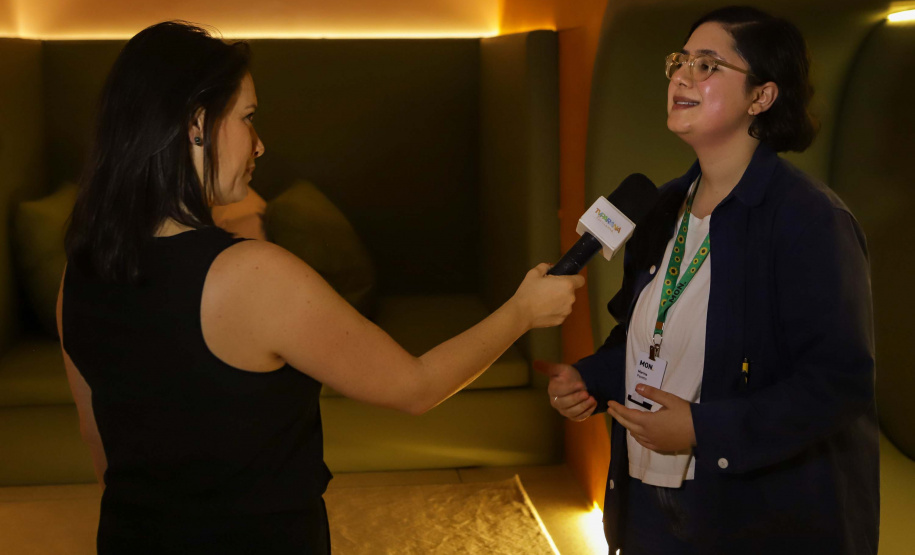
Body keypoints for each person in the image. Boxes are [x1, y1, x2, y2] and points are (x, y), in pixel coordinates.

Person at [57, 21, 584, 554]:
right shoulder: (252, 275)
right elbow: (415, 387)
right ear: (197, 125)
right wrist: (522, 312)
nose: (260, 145)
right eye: (247, 118)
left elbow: (99, 443)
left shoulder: (78, 272)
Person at [537, 6, 878, 554]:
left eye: (707, 65)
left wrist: (703, 429)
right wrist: (591, 378)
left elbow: (837, 385)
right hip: (648, 497)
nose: (680, 76)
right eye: (679, 61)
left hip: (753, 513)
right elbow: (646, 335)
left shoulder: (809, 219)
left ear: (761, 98)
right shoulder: (662, 204)